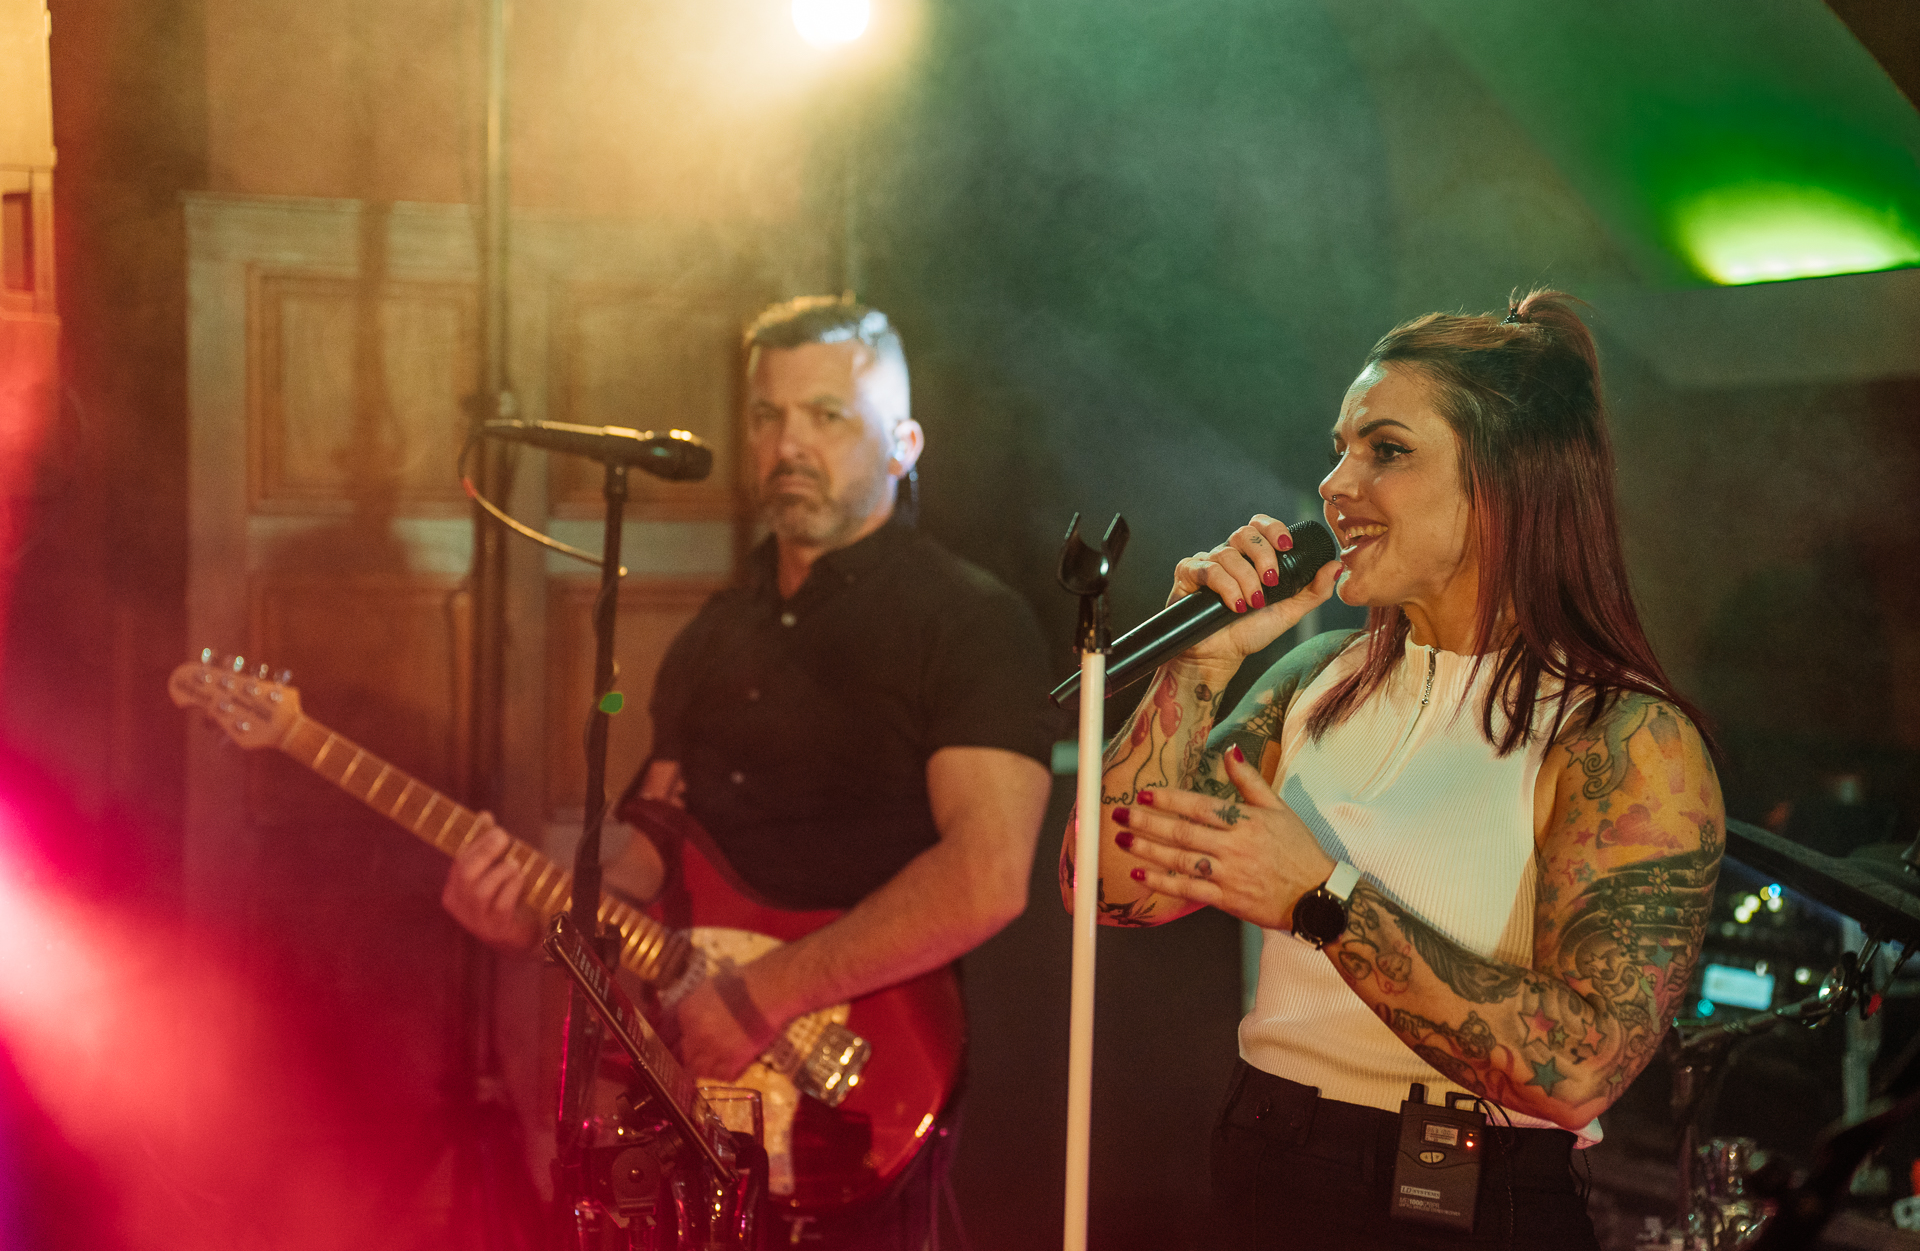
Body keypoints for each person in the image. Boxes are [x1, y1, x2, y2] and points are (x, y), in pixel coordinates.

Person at [1063, 291, 1723, 1249]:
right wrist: (1196, 669)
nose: (1336, 483)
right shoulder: (1312, 682)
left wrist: (1322, 899)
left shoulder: (1621, 735)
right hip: (1265, 1154)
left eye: (1386, 449)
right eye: (1340, 449)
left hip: (1461, 1200)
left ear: (1507, 482)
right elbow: (1106, 889)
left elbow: (1582, 1065)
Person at [446, 296, 1057, 1248]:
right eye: (768, 416)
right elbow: (650, 850)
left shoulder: (969, 622)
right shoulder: (715, 633)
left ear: (903, 445)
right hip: (693, 1094)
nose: (788, 444)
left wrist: (771, 996)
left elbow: (987, 876)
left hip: (859, 1082)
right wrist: (537, 918)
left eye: (828, 417)